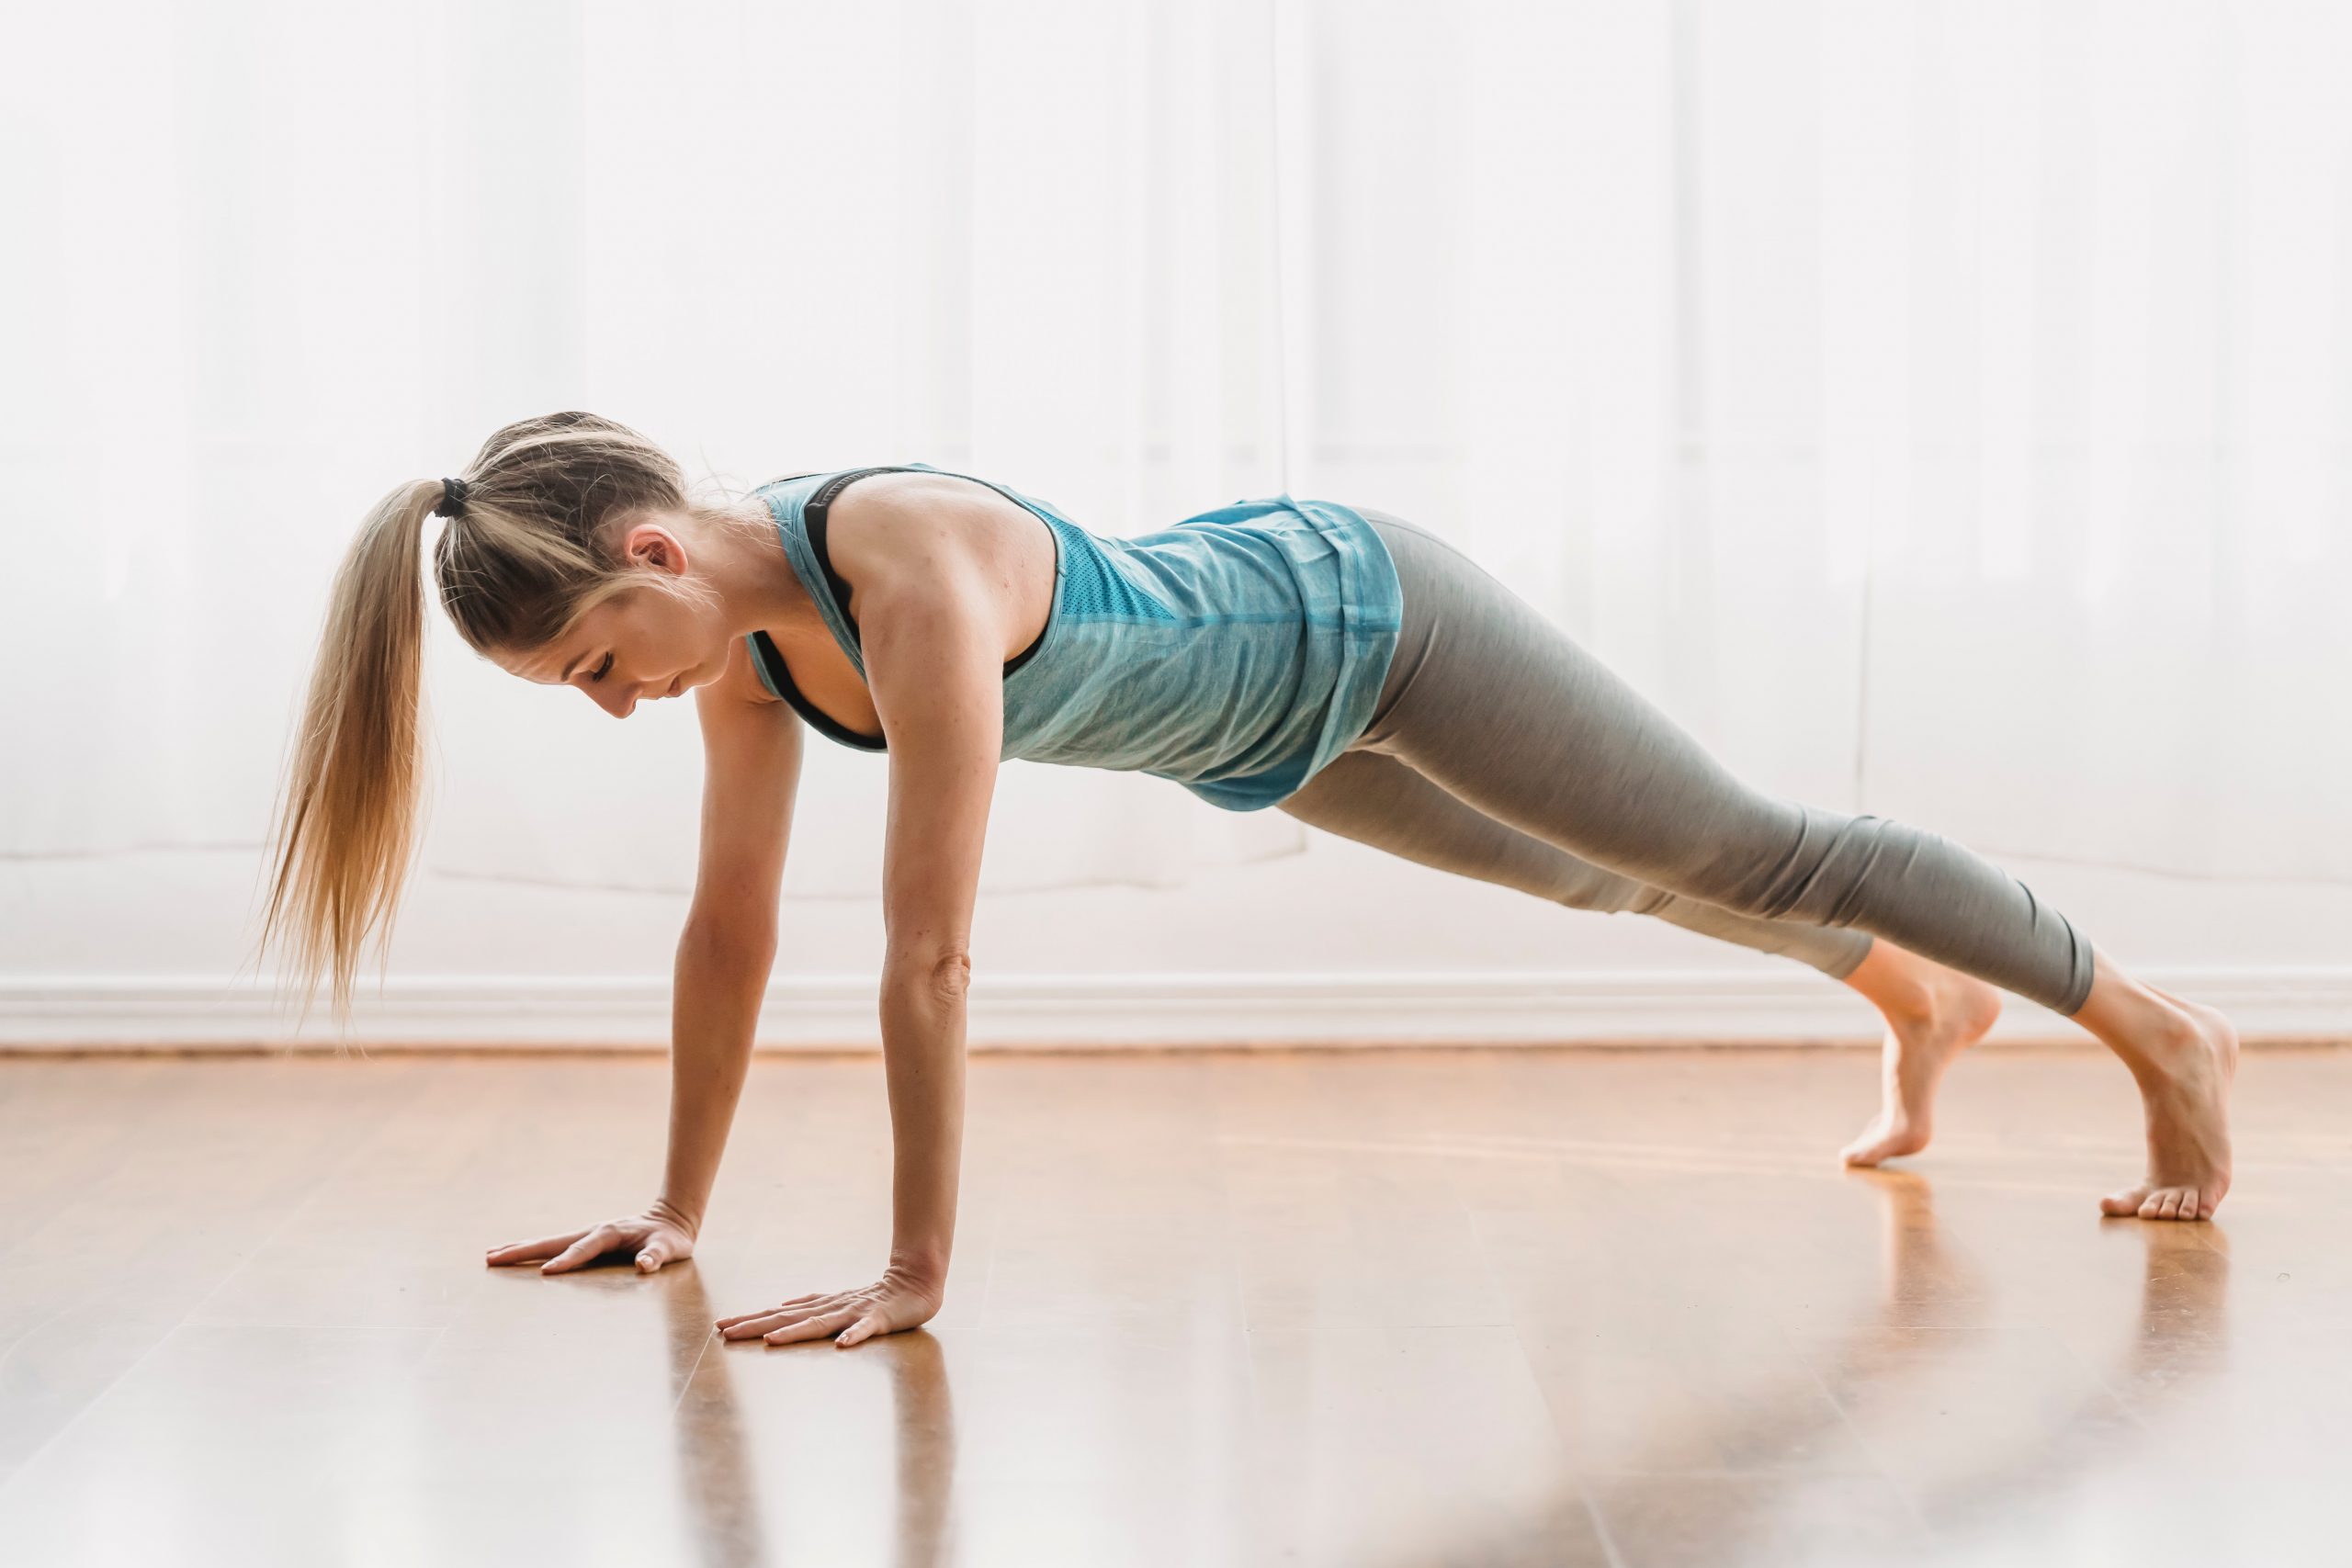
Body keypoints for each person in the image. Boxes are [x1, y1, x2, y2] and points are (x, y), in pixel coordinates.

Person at [255, 411, 2238, 1349]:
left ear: (652, 555)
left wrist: (918, 1271)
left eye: (598, 666)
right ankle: (1913, 990)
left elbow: (927, 953)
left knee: (1734, 842)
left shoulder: (902, 569)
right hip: (1264, 730)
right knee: (1599, 884)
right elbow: (730, 929)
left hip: (1367, 620)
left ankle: (2154, 1028)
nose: (615, 707)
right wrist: (674, 1210)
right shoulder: (753, 654)